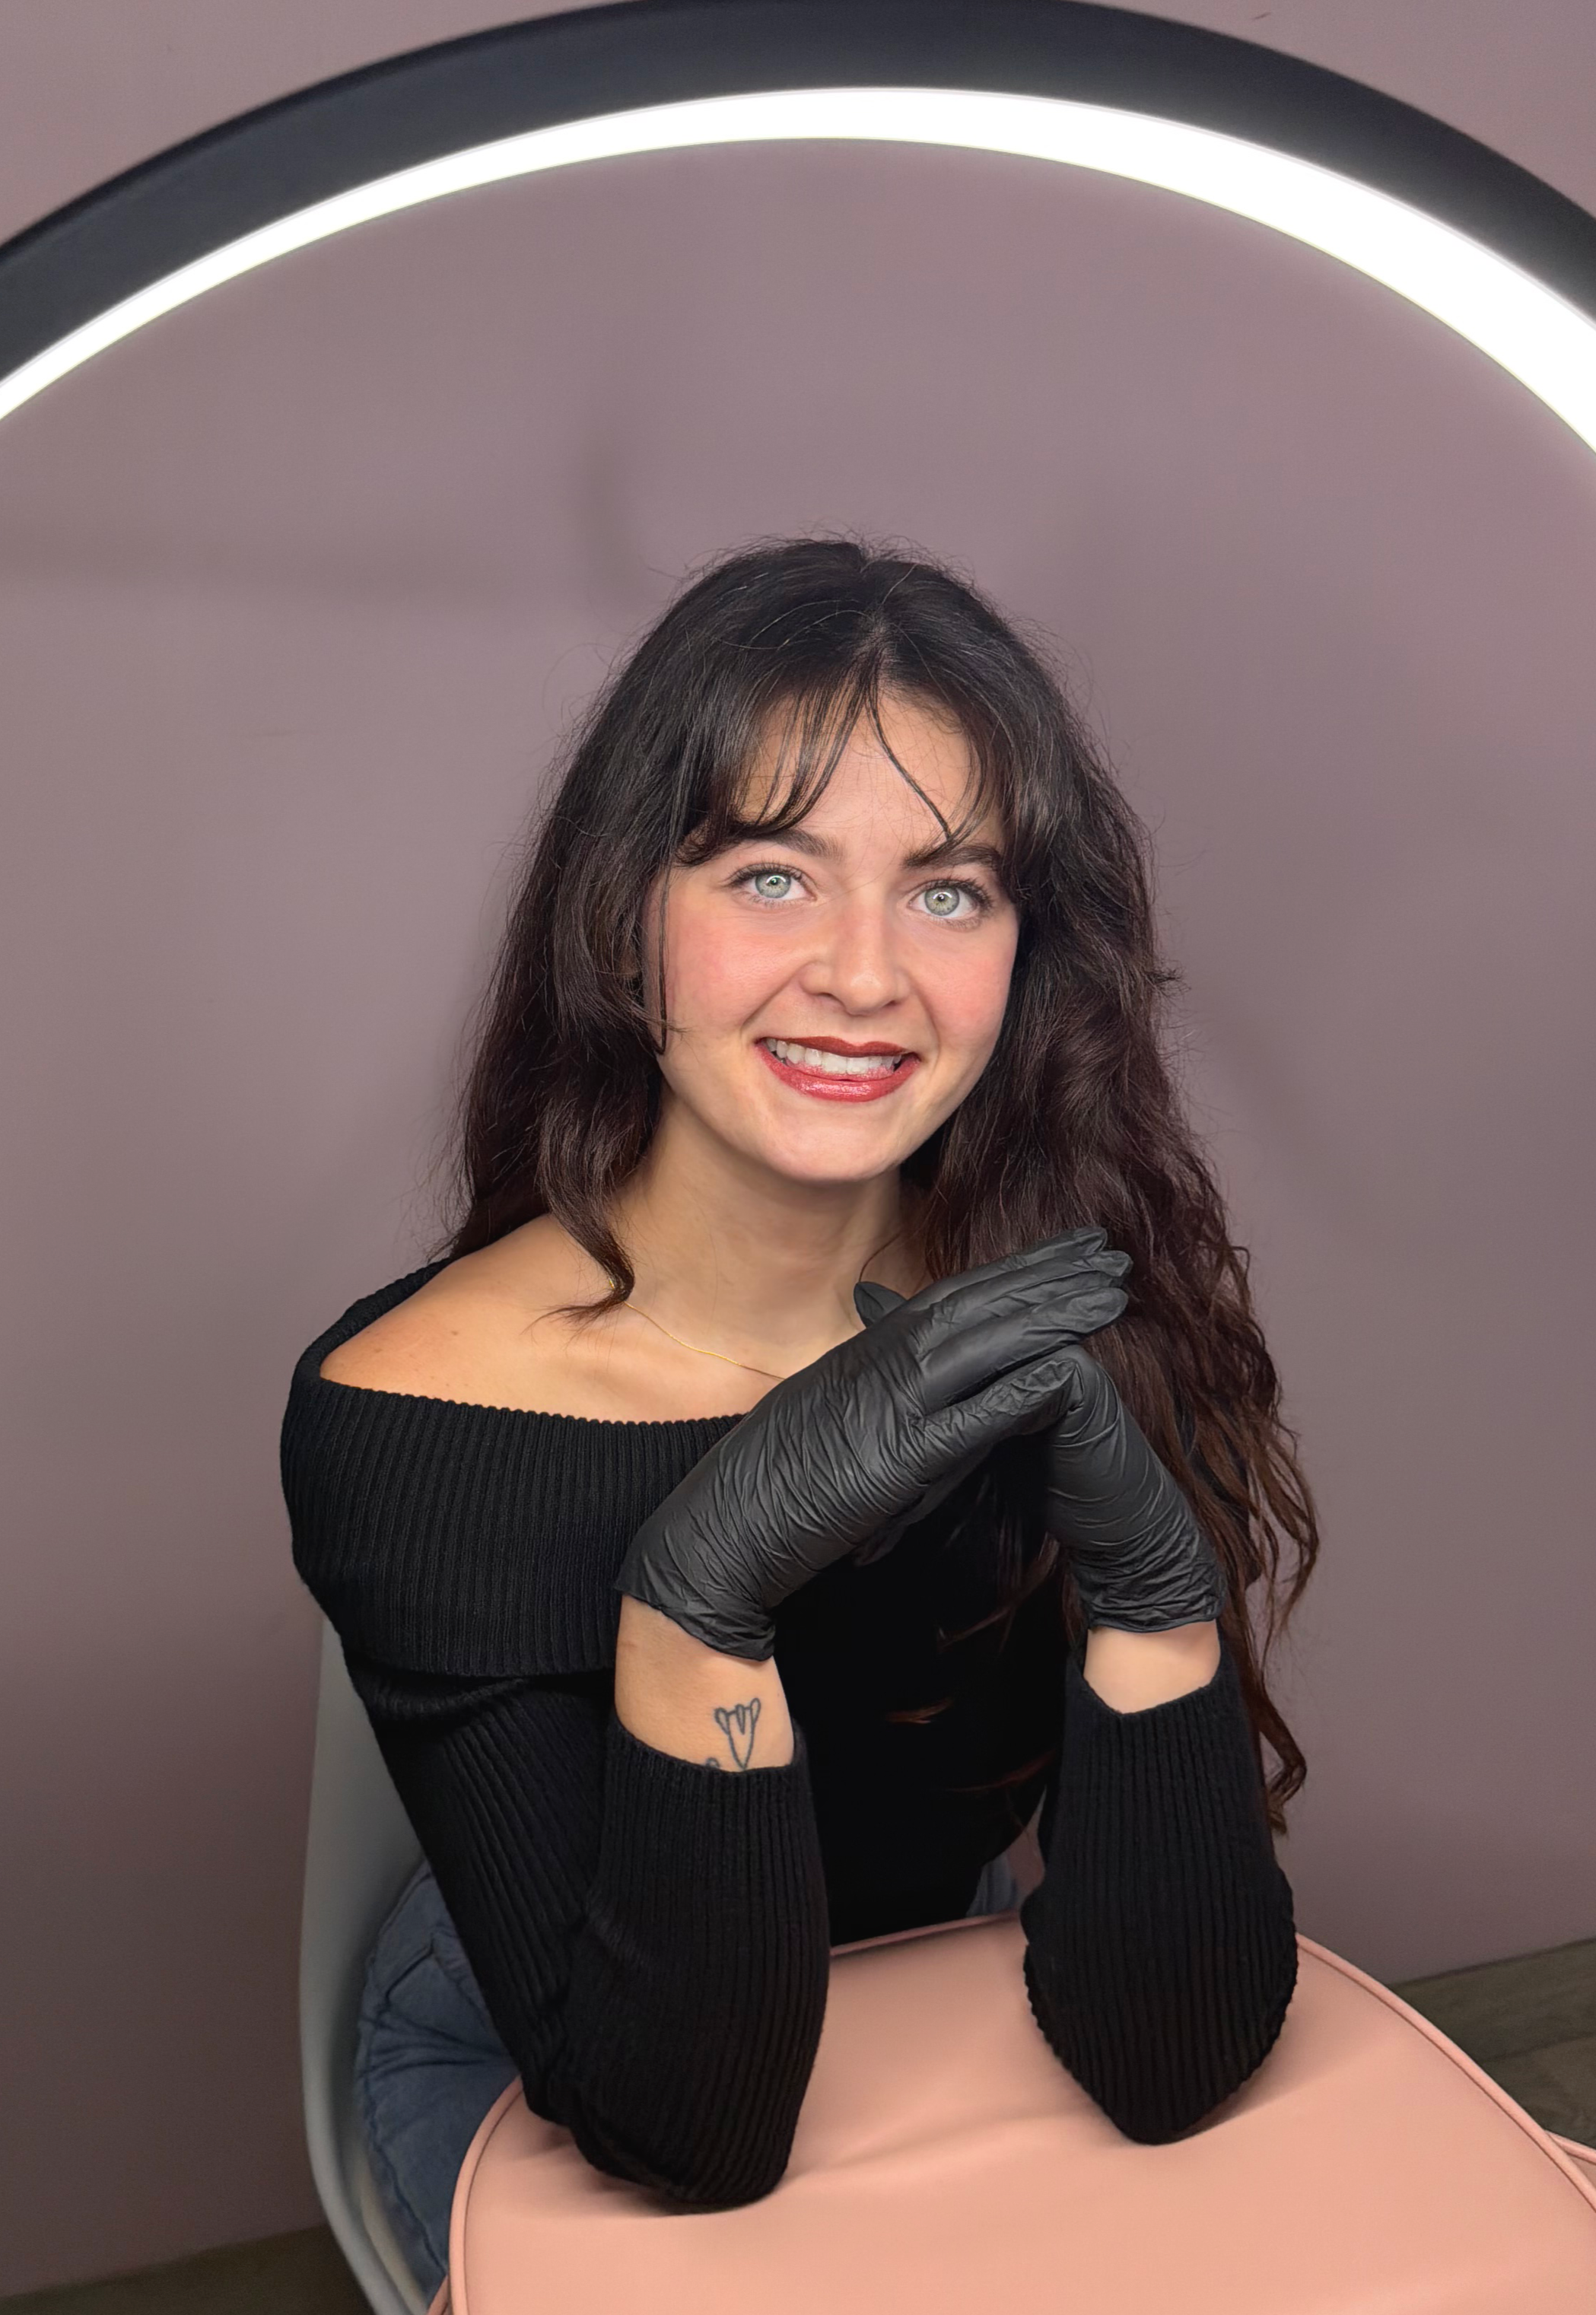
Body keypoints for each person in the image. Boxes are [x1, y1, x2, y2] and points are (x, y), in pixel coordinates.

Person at [282, 536, 1319, 2301]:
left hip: (940, 1978)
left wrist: (1155, 1589)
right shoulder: (409, 1419)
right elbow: (688, 2133)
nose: (861, 975)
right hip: (561, 2051)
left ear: (1020, 947)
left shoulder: (1063, 1293)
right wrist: (696, 1586)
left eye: (946, 891)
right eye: (770, 876)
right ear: (626, 917)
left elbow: (1172, 2054)